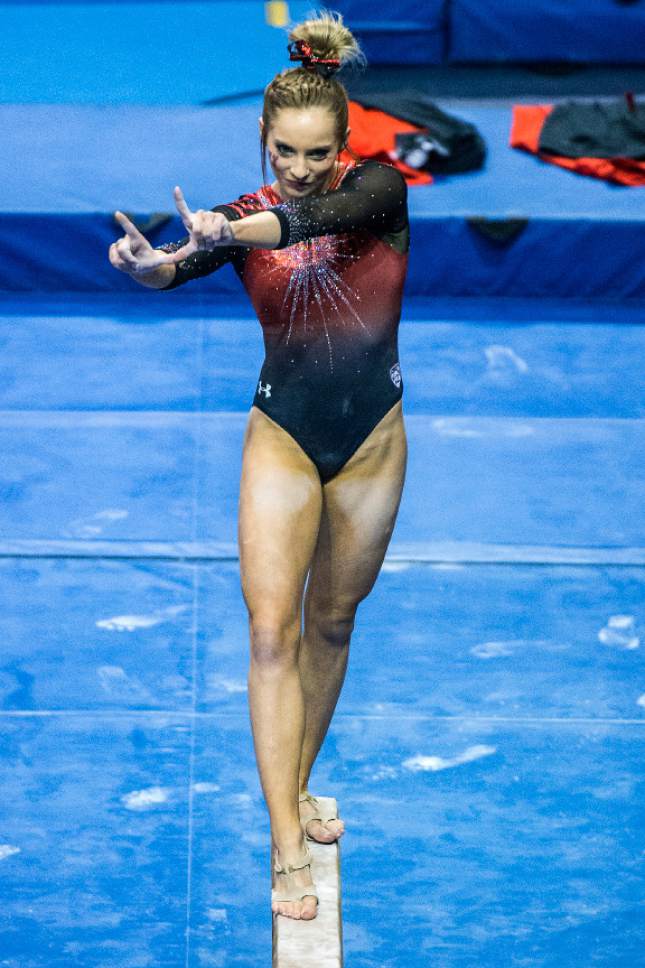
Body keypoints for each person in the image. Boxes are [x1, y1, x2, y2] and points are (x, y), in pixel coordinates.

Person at [108, 10, 409, 923]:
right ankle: (286, 840)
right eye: (285, 151)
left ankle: (296, 785)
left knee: (333, 624)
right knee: (272, 633)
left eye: (319, 151)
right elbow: (179, 264)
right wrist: (151, 264)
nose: (302, 167)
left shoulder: (382, 191)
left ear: (343, 142)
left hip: (371, 444)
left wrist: (230, 232)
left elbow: (307, 219)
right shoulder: (237, 215)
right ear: (264, 137)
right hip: (281, 438)